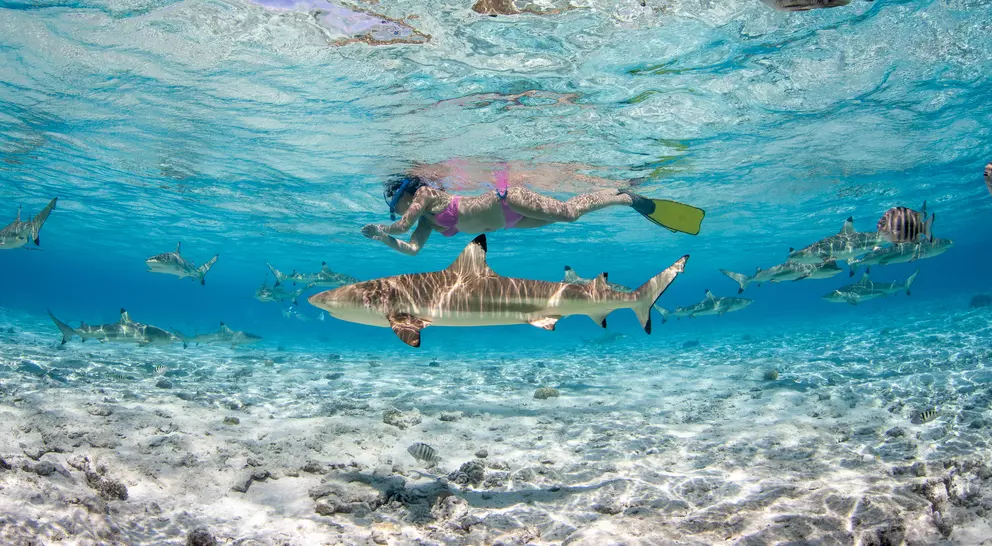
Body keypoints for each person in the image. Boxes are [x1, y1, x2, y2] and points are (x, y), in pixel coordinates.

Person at [361, 163, 704, 255]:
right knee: (567, 217)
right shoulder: (427, 222)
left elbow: (402, 227)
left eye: (396, 203)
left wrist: (382, 229)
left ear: (404, 193)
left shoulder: (424, 193)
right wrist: (381, 239)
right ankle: (623, 196)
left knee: (570, 213)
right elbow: (411, 249)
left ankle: (625, 195)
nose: (400, 209)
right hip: (511, 223)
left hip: (507, 200)